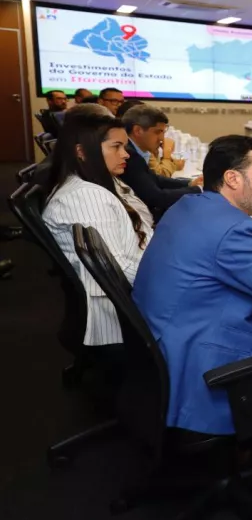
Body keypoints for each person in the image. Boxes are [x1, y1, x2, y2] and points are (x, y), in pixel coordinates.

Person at [133, 135, 252, 435]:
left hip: (167, 346)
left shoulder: (190, 206)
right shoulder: (235, 230)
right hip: (202, 367)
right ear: (233, 179)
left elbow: (228, 260)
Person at [43, 112, 154, 347]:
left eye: (124, 146)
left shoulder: (101, 181)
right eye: (116, 146)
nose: (126, 154)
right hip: (125, 312)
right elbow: (117, 269)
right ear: (81, 151)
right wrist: (177, 279)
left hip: (138, 287)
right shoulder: (86, 197)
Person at [119, 105, 202, 220]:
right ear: (137, 130)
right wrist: (198, 189)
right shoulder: (129, 155)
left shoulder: (136, 151)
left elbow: (155, 179)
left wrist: (189, 183)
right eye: (158, 132)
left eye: (163, 132)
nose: (162, 138)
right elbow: (157, 198)